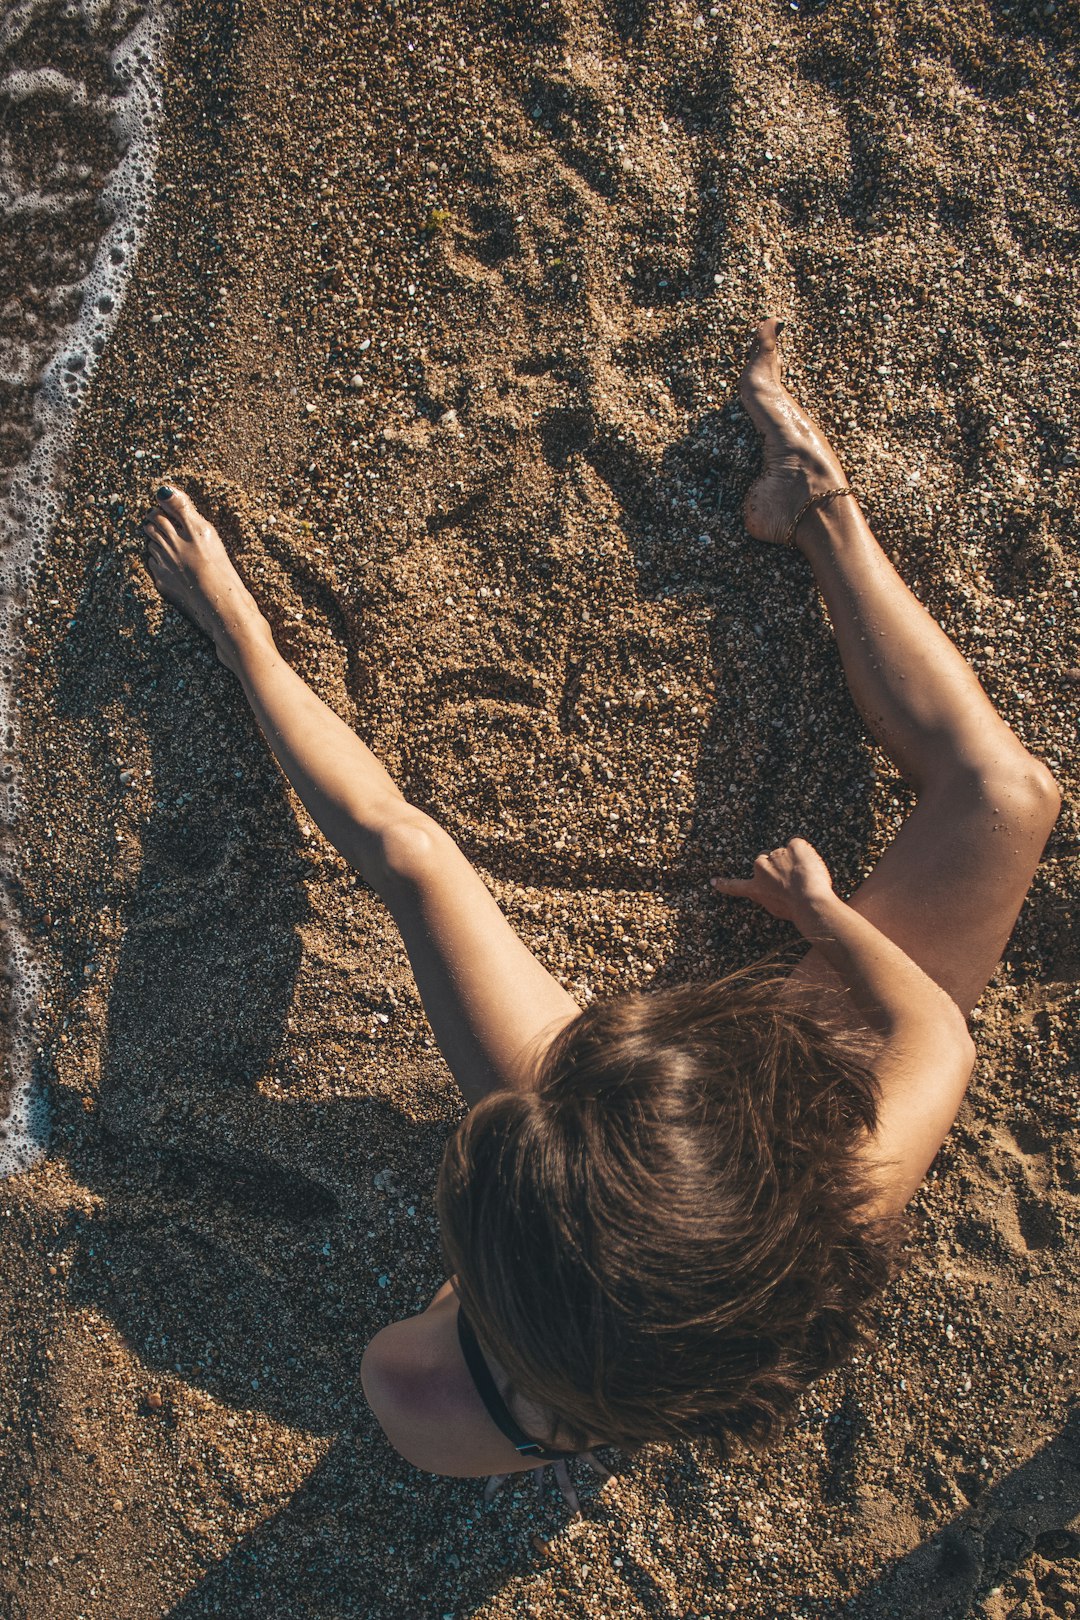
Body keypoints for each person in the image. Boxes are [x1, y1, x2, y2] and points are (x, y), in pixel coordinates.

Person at [140, 318, 1061, 1505]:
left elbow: (405, 848)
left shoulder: (441, 1403)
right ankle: (812, 503)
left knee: (427, 881)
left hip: (581, 1304)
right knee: (1006, 796)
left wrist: (240, 629)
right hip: (715, 1154)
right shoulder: (844, 1185)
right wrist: (828, 918)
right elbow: (937, 1033)